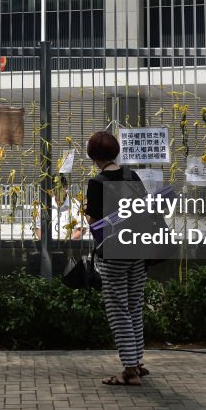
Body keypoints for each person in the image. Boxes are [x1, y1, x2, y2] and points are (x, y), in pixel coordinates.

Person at [84, 131, 149, 387]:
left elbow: (93, 222)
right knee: (134, 305)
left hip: (114, 253)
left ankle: (130, 371)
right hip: (139, 249)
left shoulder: (97, 182)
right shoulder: (131, 176)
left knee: (117, 308)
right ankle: (138, 362)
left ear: (93, 155)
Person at [35, 175, 86, 240]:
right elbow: (37, 226)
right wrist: (44, 242)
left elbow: (82, 228)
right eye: (54, 189)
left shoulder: (74, 204)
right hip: (49, 246)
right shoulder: (45, 205)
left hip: (68, 246)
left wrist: (69, 242)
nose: (56, 192)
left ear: (66, 187)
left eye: (59, 189)